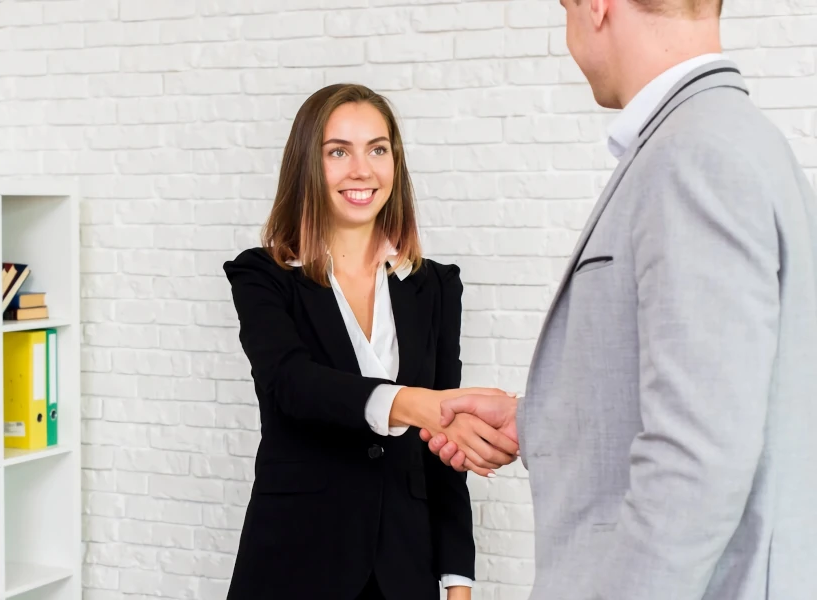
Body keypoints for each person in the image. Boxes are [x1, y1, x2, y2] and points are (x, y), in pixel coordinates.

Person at [420, 1, 817, 598]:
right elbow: (719, 397)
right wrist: (535, 419)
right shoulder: (727, 139)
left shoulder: (696, 155)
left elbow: (698, 459)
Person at [222, 83, 518, 600]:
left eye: (378, 149)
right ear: (306, 166)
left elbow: (441, 450)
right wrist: (417, 404)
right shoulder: (262, 275)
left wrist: (457, 577)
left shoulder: (435, 286)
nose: (362, 170)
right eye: (338, 151)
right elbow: (290, 383)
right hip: (294, 558)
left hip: (404, 567)